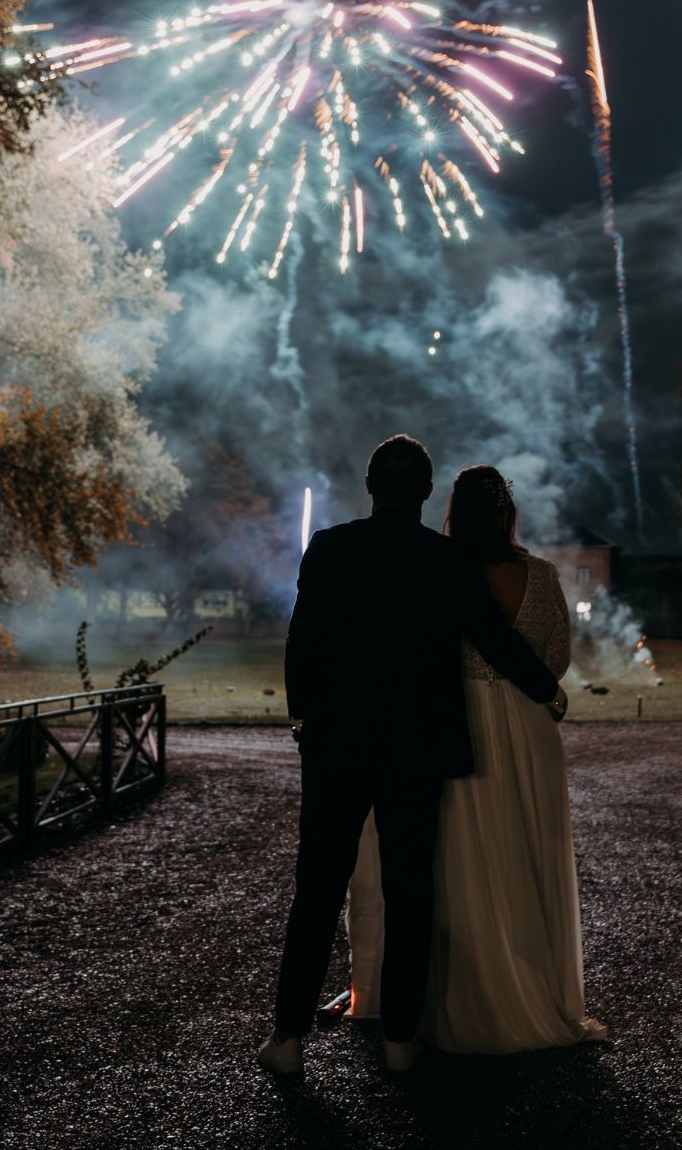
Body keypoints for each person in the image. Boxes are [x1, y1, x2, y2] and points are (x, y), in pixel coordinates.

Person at [258, 436, 568, 1076]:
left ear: (370, 485)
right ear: (427, 492)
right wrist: (547, 690)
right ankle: (401, 1037)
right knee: (410, 888)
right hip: (416, 747)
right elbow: (493, 637)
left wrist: (303, 716)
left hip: (338, 744)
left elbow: (302, 640)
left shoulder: (329, 547)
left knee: (317, 890)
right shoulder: (445, 559)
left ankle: (287, 1038)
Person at [349, 465, 607, 1054]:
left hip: (457, 720)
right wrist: (536, 688)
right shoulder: (541, 575)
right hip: (528, 723)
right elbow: (556, 657)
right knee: (530, 852)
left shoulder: (440, 568)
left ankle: (460, 997)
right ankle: (539, 992)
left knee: (459, 859)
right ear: (507, 513)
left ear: (454, 513)